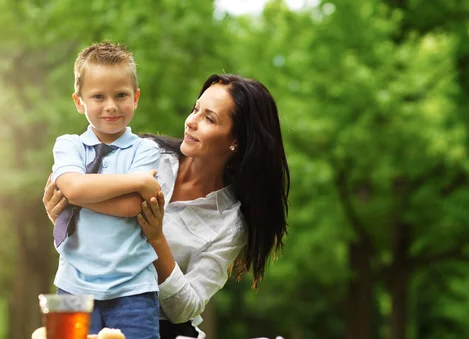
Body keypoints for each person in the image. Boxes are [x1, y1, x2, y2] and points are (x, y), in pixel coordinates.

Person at [43, 73, 290, 339]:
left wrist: (156, 239)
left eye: (209, 118)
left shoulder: (230, 222)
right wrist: (64, 211)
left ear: (236, 140)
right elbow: (85, 198)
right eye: (195, 109)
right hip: (95, 303)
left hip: (164, 327)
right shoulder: (146, 155)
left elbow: (187, 308)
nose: (191, 122)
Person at [49, 41, 162, 339]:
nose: (111, 105)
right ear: (79, 101)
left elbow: (132, 207)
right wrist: (137, 182)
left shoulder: (146, 150)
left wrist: (80, 196)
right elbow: (72, 187)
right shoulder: (68, 145)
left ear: (136, 98)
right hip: (73, 287)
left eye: (121, 95)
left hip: (133, 290)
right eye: (98, 96)